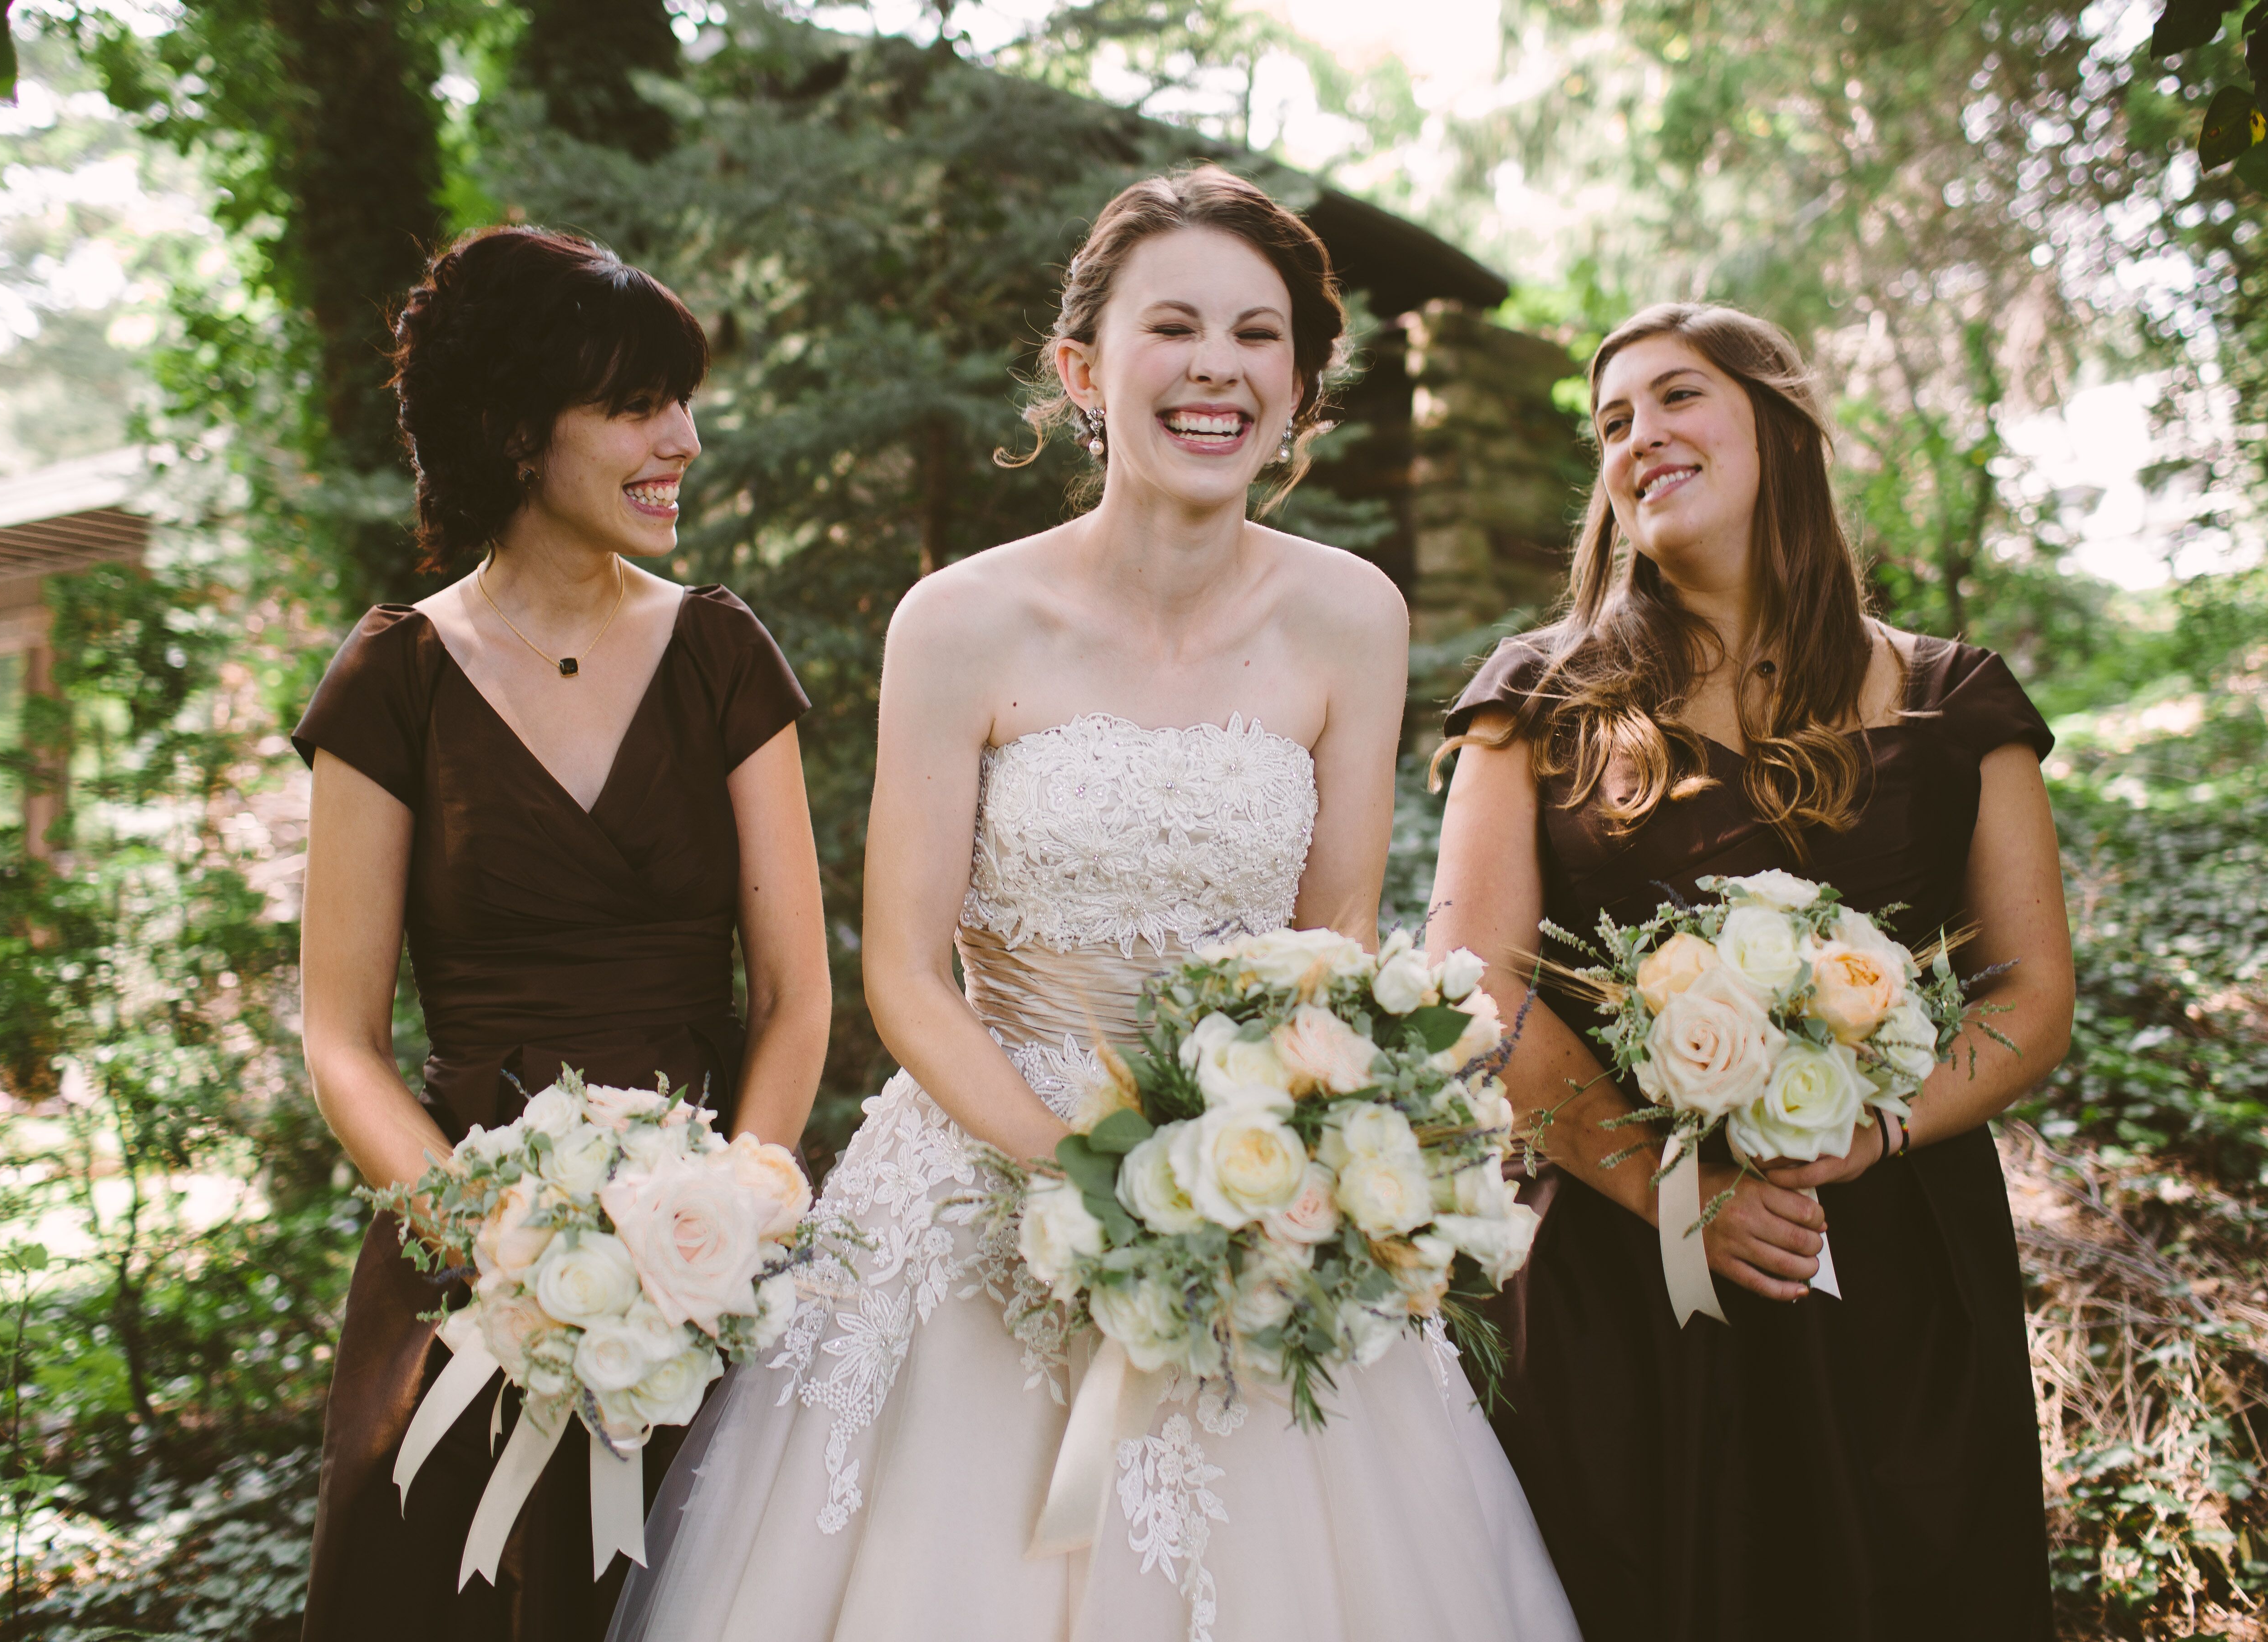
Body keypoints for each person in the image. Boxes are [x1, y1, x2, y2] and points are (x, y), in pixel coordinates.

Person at [609, 165, 1577, 1642]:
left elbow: (1332, 955)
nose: (1217, 368)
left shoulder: (1352, 616)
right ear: (1083, 369)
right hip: (988, 1189)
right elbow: (908, 974)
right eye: (1173, 326)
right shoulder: (961, 621)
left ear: (1302, 387)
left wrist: (1282, 1176)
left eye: (1260, 338)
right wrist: (1086, 1172)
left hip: (1255, 1196)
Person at [1428, 302, 2072, 1640]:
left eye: (1676, 400)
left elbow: (2030, 995)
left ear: (1779, 426)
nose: (1638, 440)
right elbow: (1476, 978)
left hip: (1894, 1278)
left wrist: (1883, 1126)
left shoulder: (1960, 707)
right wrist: (1677, 1195)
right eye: (1612, 425)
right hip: (1619, 1276)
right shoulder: (1536, 701)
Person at [294, 227, 832, 1641]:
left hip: (722, 1231)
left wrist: (738, 1217)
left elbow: (792, 998)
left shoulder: (723, 653)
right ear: (515, 432)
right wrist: (495, 1237)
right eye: (636, 407)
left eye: (683, 400)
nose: (685, 441)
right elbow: (340, 1040)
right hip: (473, 1247)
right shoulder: (393, 680)